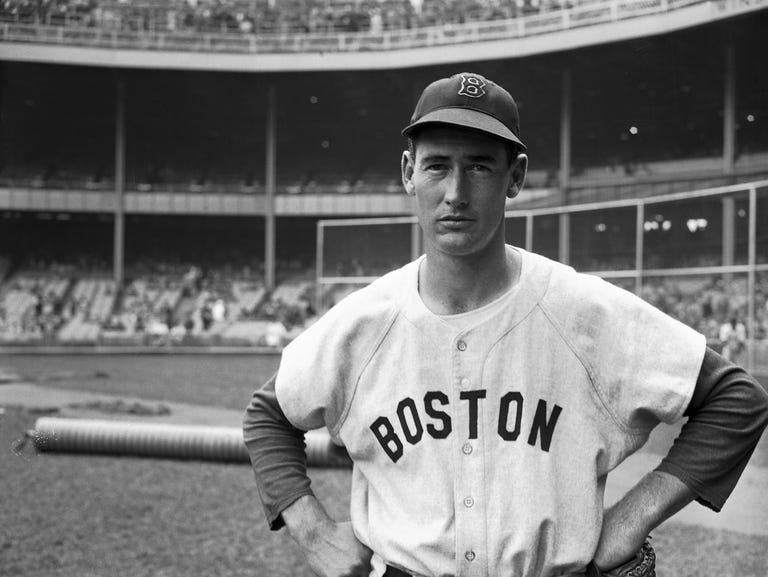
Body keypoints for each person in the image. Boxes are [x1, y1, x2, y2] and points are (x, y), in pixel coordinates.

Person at [243, 72, 768, 577]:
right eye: (436, 167)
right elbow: (270, 413)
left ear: (514, 176)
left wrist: (633, 518)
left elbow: (735, 398)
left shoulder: (581, 311)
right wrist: (313, 533)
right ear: (408, 172)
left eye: (479, 167)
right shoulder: (364, 322)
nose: (455, 191)